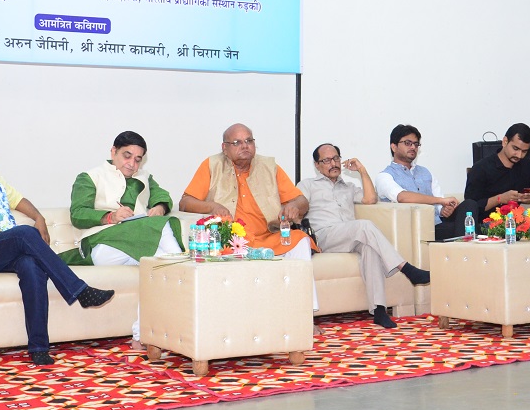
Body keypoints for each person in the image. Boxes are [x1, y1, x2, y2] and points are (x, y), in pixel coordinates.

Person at [0, 121, 115, 366]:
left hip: (6, 247)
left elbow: (15, 198)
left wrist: (39, 217)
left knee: (31, 266)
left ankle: (39, 349)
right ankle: (79, 290)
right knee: (24, 234)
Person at [62, 130, 183, 350]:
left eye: (138, 159)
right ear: (113, 151)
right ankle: (183, 262)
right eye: (127, 156)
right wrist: (110, 216)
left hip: (135, 246)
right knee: (165, 236)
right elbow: (78, 214)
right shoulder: (90, 177)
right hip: (102, 246)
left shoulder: (144, 178)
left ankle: (140, 335)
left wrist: (159, 207)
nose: (132, 164)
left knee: (160, 269)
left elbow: (162, 196)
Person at [178, 123, 318, 308]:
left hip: (269, 236)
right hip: (232, 241)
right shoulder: (212, 165)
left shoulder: (269, 167)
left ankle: (305, 309)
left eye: (249, 141)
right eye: (237, 142)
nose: (245, 146)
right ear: (224, 148)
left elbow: (302, 201)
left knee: (300, 240)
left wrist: (293, 206)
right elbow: (185, 202)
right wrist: (212, 206)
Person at [297, 144, 430, 329]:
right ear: (317, 165)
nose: (333, 163)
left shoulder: (349, 187)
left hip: (350, 236)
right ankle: (406, 268)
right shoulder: (307, 185)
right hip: (324, 236)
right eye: (326, 160)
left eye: (336, 158)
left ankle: (379, 310)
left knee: (370, 249)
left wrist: (362, 170)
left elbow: (370, 199)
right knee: (364, 225)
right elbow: (298, 207)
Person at [462, 123, 530, 234]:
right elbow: (470, 207)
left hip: (517, 223)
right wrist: (500, 199)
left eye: (524, 151)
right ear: (505, 142)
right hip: (487, 225)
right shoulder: (481, 168)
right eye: (515, 148)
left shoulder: (526, 165)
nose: (519, 155)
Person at [376, 124, 464, 240]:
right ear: (394, 147)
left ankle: (464, 243)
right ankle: (463, 242)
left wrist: (444, 210)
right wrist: (441, 201)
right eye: (408, 143)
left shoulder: (425, 172)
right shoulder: (384, 176)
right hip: (412, 230)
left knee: (469, 205)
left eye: (416, 144)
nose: (413, 147)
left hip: (437, 225)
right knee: (461, 229)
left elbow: (440, 207)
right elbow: (402, 197)